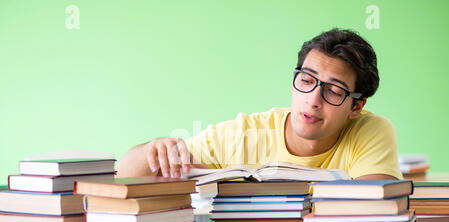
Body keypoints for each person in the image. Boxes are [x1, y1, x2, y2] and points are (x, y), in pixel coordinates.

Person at [117, 28, 402, 180]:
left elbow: (376, 210)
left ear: (356, 107)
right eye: (306, 80)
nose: (313, 100)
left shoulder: (370, 131)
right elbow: (124, 175)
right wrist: (153, 151)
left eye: (334, 91)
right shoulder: (243, 135)